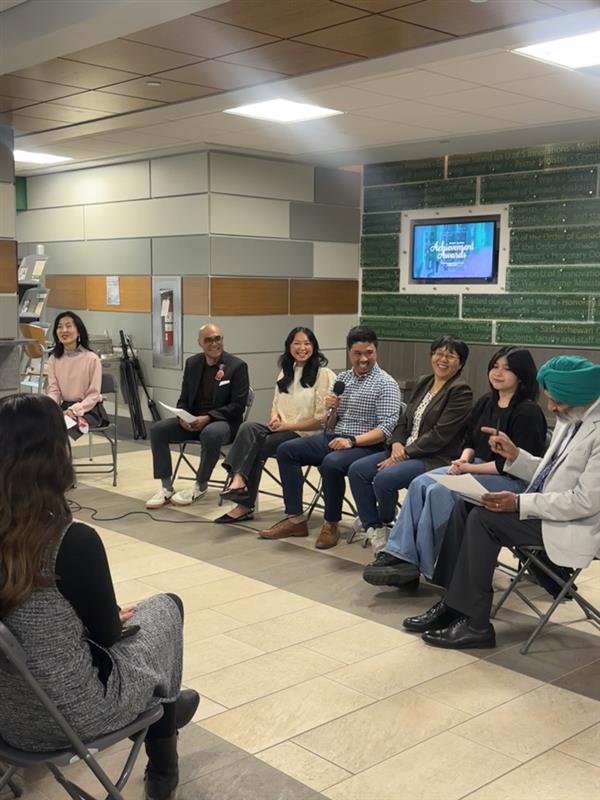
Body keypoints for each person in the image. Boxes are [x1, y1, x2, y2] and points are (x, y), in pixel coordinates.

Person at [0, 394, 199, 800]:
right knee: (167, 607)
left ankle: (168, 711)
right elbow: (107, 637)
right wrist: (107, 616)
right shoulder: (71, 541)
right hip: (74, 716)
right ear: (56, 452)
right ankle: (164, 755)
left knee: (131, 639)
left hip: (7, 717)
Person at [402, 355, 600, 650]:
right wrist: (515, 455)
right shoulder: (571, 417)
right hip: (549, 509)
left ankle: (476, 624)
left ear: (579, 397)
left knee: (485, 520)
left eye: (557, 401)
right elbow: (550, 473)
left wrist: (519, 503)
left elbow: (585, 502)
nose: (552, 408)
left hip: (575, 523)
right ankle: (453, 603)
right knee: (467, 505)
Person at [364, 346, 547, 589]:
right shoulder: (486, 402)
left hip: (510, 479)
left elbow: (510, 464)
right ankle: (400, 554)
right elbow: (470, 440)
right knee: (421, 483)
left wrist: (469, 469)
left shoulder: (528, 412)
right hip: (477, 466)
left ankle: (425, 564)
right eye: (495, 367)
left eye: (507, 369)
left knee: (441, 491)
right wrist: (464, 460)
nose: (498, 373)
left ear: (522, 375)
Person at [259, 326, 401, 549]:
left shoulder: (386, 383)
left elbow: (385, 430)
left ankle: (331, 523)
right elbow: (329, 423)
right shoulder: (343, 379)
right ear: (348, 352)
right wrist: (331, 410)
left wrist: (352, 441)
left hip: (367, 444)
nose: (363, 359)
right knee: (288, 450)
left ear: (376, 350)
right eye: (357, 353)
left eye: (369, 353)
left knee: (332, 463)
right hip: (336, 437)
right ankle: (295, 518)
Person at [349, 335, 472, 546]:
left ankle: (383, 520)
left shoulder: (460, 391)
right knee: (357, 470)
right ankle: (375, 526)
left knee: (384, 479)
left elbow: (439, 435)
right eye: (439, 354)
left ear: (460, 363)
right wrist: (396, 444)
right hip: (403, 450)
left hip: (433, 456)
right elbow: (403, 420)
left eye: (450, 356)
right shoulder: (425, 381)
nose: (443, 359)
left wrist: (403, 454)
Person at [215, 327, 335, 524]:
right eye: (297, 343)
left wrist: (286, 426)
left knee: (256, 446)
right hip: (282, 429)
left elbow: (321, 420)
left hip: (305, 435)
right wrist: (275, 419)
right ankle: (239, 479)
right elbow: (275, 405)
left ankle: (243, 501)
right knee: (248, 428)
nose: (302, 348)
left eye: (307, 343)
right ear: (289, 346)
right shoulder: (285, 373)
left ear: (314, 347)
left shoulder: (324, 374)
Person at [146, 323, 249, 509]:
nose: (214, 343)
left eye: (218, 338)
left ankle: (200, 485)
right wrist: (182, 417)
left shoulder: (237, 366)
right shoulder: (192, 363)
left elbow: (237, 406)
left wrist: (208, 417)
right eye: (208, 340)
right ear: (200, 343)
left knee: (210, 434)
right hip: (194, 422)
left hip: (223, 423)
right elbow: (184, 398)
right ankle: (166, 487)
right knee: (157, 430)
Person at [46, 310, 109, 440]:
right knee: (42, 422)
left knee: (60, 425)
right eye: (59, 327)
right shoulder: (54, 358)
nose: (64, 330)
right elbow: (54, 390)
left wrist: (74, 410)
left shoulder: (92, 359)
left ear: (79, 331)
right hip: (63, 408)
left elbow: (94, 395)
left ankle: (61, 458)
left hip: (89, 409)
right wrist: (49, 407)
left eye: (68, 326)